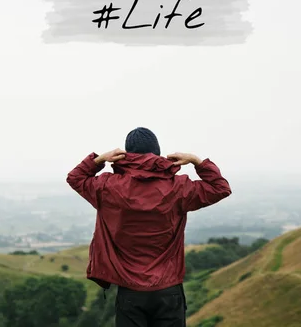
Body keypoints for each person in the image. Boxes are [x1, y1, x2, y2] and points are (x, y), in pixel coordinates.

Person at [66, 127, 232, 327]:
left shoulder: (107, 187)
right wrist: (196, 161)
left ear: (125, 154)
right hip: (169, 290)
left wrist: (99, 160)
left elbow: (75, 178)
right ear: (157, 152)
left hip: (130, 291)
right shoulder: (178, 187)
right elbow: (220, 188)